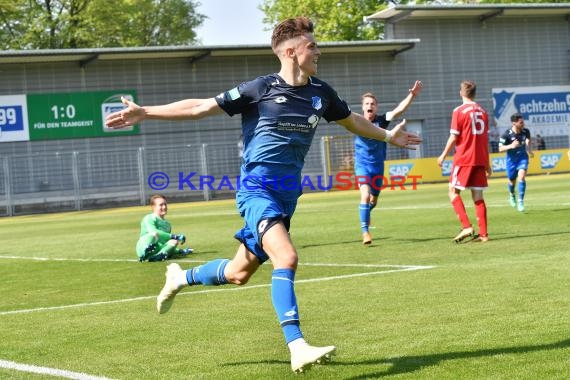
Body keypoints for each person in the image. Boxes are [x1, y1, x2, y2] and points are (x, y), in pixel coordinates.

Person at [105, 16, 421, 374]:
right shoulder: (260, 88)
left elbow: (351, 120)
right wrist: (145, 112)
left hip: (288, 196)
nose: (318, 51)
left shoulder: (321, 93)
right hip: (257, 189)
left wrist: (387, 136)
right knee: (286, 258)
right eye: (311, 46)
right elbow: (199, 107)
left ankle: (180, 278)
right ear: (290, 51)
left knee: (239, 272)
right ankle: (297, 346)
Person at [355, 81, 422, 245]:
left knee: (373, 201)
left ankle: (365, 214)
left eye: (372, 104)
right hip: (362, 166)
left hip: (377, 167)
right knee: (364, 196)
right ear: (363, 107)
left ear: (376, 107)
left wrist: (412, 95)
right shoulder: (356, 121)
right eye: (367, 104)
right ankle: (365, 232)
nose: (370, 106)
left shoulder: (382, 121)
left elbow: (400, 109)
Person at [437, 80, 491, 243]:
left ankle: (466, 226)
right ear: (474, 94)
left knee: (452, 191)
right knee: (478, 196)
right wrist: (487, 163)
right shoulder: (483, 111)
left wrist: (443, 155)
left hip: (464, 158)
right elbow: (484, 139)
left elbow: (454, 136)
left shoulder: (458, 111)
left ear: (461, 93)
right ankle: (483, 235)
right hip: (480, 158)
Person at [136, 194, 193, 262]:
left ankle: (157, 256)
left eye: (165, 204)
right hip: (142, 246)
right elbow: (153, 231)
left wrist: (180, 251)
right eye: (161, 205)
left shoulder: (167, 225)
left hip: (156, 249)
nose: (164, 207)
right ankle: (145, 252)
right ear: (153, 207)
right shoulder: (149, 218)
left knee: (174, 241)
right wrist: (174, 236)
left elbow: (164, 243)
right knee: (154, 234)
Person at [499, 112, 533, 212]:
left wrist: (529, 149)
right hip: (511, 161)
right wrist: (511, 146)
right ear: (514, 123)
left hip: (523, 158)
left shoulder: (526, 131)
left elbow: (528, 139)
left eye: (523, 122)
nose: (523, 124)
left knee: (521, 176)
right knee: (511, 181)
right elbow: (500, 148)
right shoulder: (506, 135)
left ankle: (520, 201)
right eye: (521, 122)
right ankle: (512, 194)